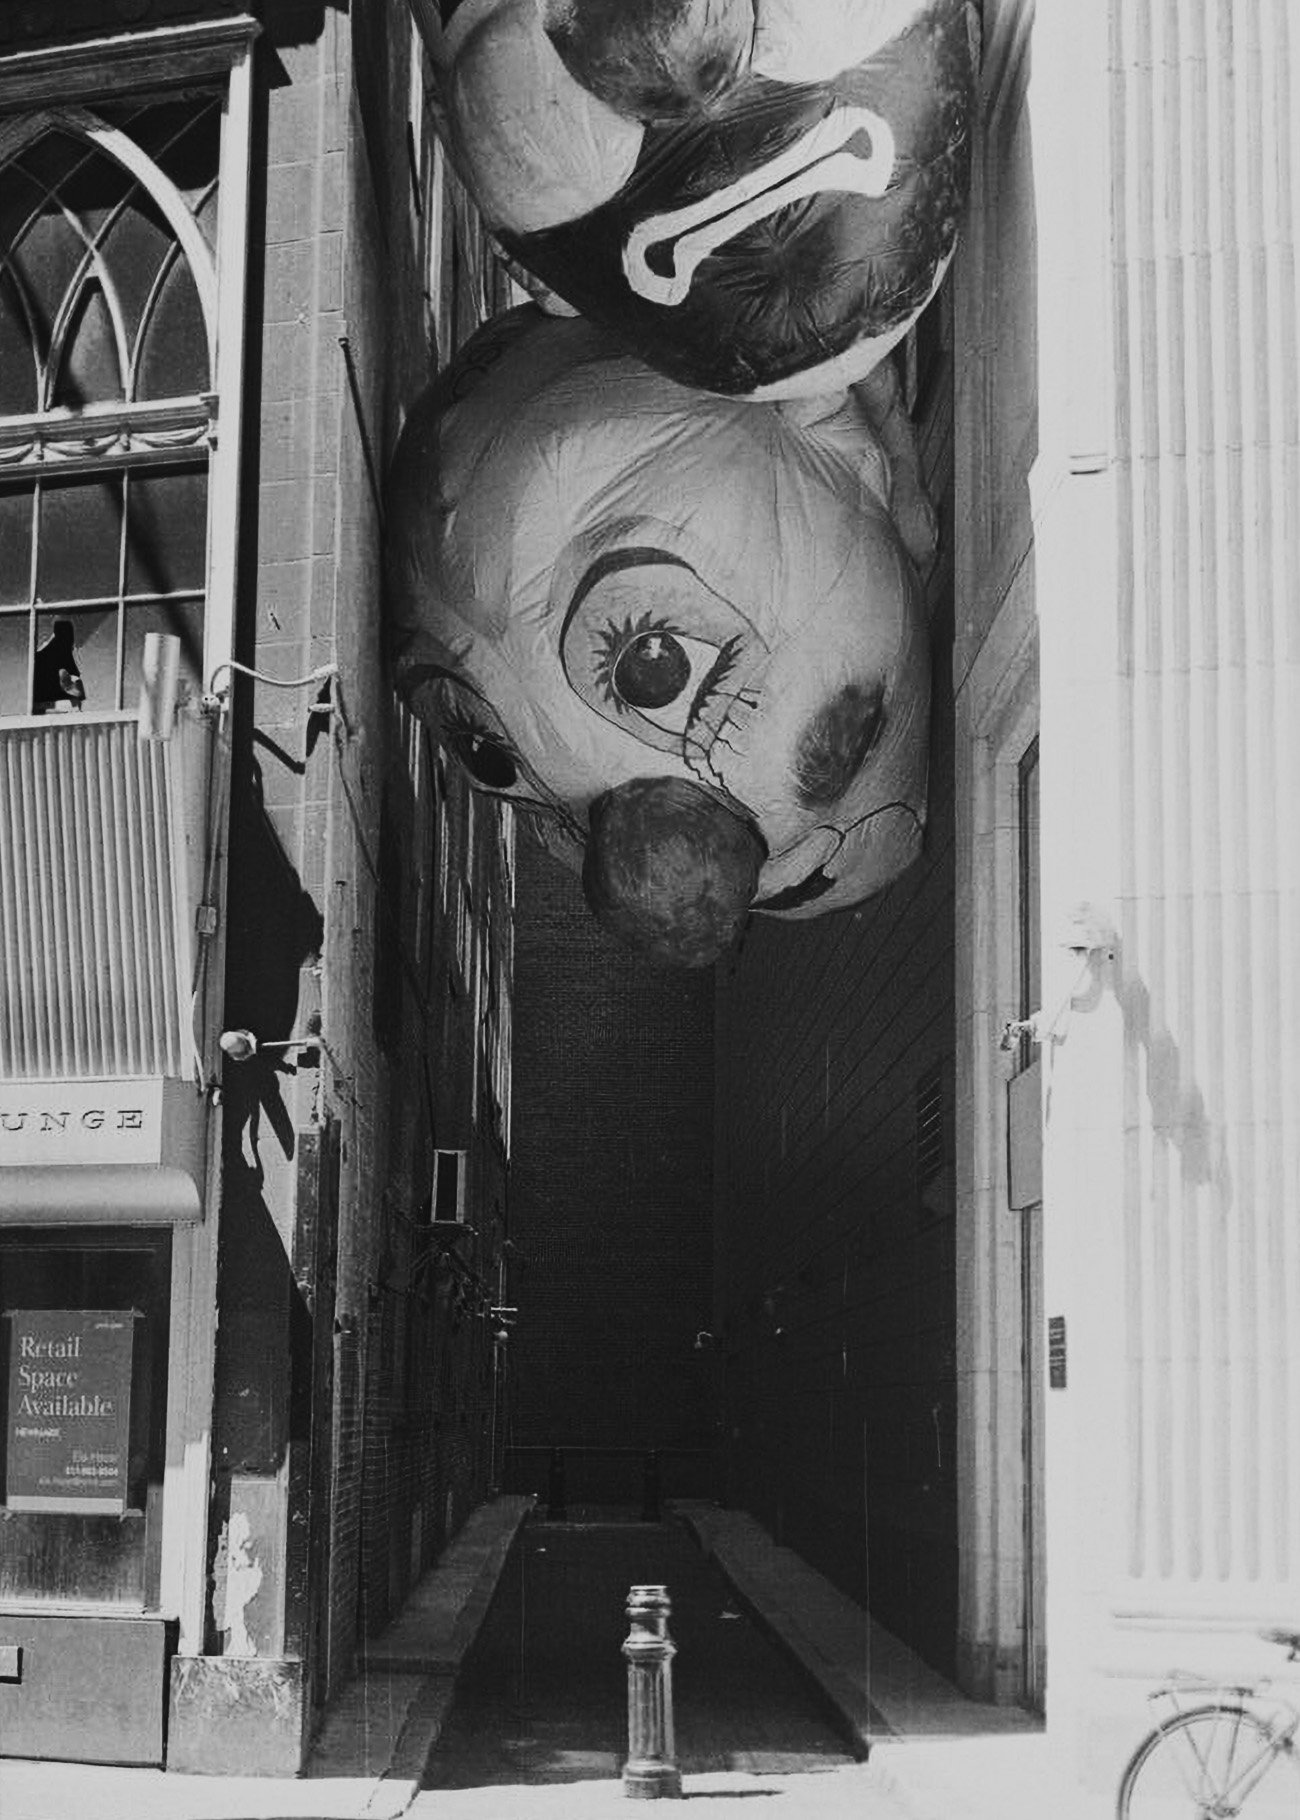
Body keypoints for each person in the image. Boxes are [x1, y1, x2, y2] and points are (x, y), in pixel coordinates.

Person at [32, 618, 85, 712]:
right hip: (51, 709)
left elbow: (77, 690)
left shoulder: (44, 657)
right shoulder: (61, 655)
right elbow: (77, 692)